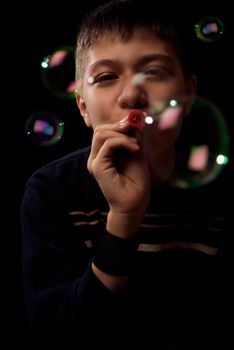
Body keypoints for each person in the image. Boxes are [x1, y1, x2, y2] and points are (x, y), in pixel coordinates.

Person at [21, 1, 231, 349]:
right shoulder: (53, 192)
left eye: (154, 72)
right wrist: (124, 218)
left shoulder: (223, 191)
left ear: (189, 94)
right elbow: (58, 343)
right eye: (106, 77)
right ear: (83, 107)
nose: (133, 95)